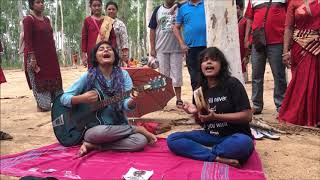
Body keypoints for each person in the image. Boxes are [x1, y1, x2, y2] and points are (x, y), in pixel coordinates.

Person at [60, 41, 157, 156]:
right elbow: (63, 98)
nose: (106, 50)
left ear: (115, 55)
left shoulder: (123, 75)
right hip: (95, 129)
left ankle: (95, 146)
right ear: (95, 57)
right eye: (101, 49)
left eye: (109, 49)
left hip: (117, 126)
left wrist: (131, 102)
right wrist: (82, 98)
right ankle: (136, 129)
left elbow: (126, 103)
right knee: (97, 133)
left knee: (140, 141)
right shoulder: (89, 76)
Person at [167, 47, 253, 167]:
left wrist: (216, 116)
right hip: (210, 136)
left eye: (213, 60)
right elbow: (202, 122)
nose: (208, 62)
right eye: (205, 60)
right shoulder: (198, 90)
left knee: (244, 143)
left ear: (221, 65)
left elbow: (247, 116)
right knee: (173, 139)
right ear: (201, 66)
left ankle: (203, 151)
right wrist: (195, 112)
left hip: (233, 136)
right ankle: (217, 157)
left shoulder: (232, 84)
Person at [279, 0, 320, 127]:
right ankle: (301, 116)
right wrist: (285, 51)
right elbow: (288, 27)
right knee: (301, 81)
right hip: (300, 47)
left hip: (317, 45)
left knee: (316, 80)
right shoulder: (293, 2)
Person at [244, 0, 288, 115]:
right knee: (256, 75)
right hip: (257, 41)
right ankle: (256, 105)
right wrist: (246, 38)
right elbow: (249, 18)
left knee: (279, 75)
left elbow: (290, 15)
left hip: (278, 40)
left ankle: (281, 105)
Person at [23, 0, 63, 112]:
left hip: (50, 58)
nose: (41, 4)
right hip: (36, 59)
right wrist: (32, 58)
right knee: (45, 107)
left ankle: (54, 103)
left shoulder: (47, 20)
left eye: (42, 2)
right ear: (32, 5)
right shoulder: (28, 20)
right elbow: (28, 40)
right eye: (37, 2)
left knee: (58, 102)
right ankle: (41, 105)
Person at [149, 0, 184, 108]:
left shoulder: (181, 8)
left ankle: (178, 99)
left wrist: (178, 4)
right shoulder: (157, 10)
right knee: (163, 76)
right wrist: (152, 48)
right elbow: (152, 30)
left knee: (177, 75)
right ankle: (163, 99)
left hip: (177, 48)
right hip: (161, 49)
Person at [173, 0, 206, 94]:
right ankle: (198, 103)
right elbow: (176, 27)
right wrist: (181, 43)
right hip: (191, 49)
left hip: (208, 47)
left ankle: (211, 101)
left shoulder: (207, 4)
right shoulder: (183, 9)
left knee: (209, 76)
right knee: (195, 78)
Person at [81, 0, 116, 69]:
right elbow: (84, 38)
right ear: (90, 7)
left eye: (99, 5)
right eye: (94, 6)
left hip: (106, 52)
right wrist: (83, 55)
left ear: (101, 6)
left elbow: (113, 37)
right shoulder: (87, 20)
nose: (97, 8)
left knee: (106, 71)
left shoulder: (108, 20)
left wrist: (112, 49)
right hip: (92, 53)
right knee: (93, 72)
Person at [105, 1, 129, 67]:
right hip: (103, 53)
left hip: (116, 53)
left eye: (113, 9)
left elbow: (124, 40)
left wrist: (124, 54)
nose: (111, 11)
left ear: (116, 11)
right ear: (106, 10)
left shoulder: (120, 24)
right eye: (109, 9)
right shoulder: (102, 23)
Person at [237, 0, 249, 83]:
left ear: (241, 9)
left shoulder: (244, 21)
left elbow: (247, 39)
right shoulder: (229, 22)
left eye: (237, 8)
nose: (235, 10)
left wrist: (247, 55)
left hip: (242, 52)